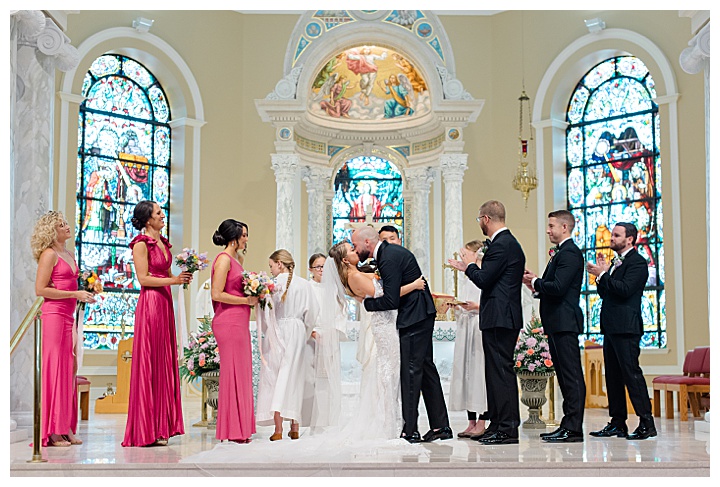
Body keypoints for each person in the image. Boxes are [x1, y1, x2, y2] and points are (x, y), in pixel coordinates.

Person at [352, 226, 451, 443]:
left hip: (414, 316)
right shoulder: (387, 254)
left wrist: (366, 303)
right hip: (419, 314)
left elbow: (390, 300)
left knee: (412, 371)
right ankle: (440, 426)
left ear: (367, 243)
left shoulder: (388, 256)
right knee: (425, 367)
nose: (354, 248)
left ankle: (410, 429)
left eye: (355, 245)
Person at [324, 241, 426, 439]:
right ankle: (388, 423)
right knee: (388, 372)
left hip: (389, 321)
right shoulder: (353, 277)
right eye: (352, 251)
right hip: (384, 324)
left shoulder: (358, 273)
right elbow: (388, 295)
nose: (356, 251)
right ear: (345, 260)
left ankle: (396, 420)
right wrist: (413, 285)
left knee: (390, 371)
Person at [447, 200, 526, 445]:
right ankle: (498, 424)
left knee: (501, 373)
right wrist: (467, 267)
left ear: (486, 219)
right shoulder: (505, 244)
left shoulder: (502, 245)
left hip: (501, 317)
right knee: (494, 373)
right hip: (498, 317)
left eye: (479, 219)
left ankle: (508, 427)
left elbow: (484, 279)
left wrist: (470, 264)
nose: (480, 224)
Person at [122, 201, 193, 447]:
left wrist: (180, 277)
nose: (163, 216)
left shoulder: (163, 242)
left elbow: (165, 275)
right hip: (151, 302)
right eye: (158, 213)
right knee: (151, 361)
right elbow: (143, 278)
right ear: (147, 219)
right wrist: (173, 280)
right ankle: (145, 428)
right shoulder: (141, 244)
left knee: (163, 361)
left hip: (164, 302)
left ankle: (162, 426)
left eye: (162, 213)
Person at [587, 222, 657, 440]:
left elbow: (625, 291)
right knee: (614, 377)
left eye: (617, 235)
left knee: (631, 375)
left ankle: (647, 422)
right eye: (612, 235)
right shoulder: (616, 263)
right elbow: (606, 294)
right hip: (611, 326)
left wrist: (603, 274)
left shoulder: (638, 263)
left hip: (627, 327)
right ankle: (618, 422)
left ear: (630, 239)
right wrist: (602, 275)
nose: (612, 239)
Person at [32, 210, 96, 447]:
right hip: (53, 316)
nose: (67, 227)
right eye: (62, 225)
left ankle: (67, 426)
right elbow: (41, 290)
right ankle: (53, 430)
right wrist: (74, 293)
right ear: (52, 231)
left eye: (66, 223)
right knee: (56, 369)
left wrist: (84, 294)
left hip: (69, 316)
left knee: (70, 368)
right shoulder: (49, 254)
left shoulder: (68, 253)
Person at [523, 210, 586, 443]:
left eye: (551, 226)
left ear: (564, 228)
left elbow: (559, 288)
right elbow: (554, 286)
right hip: (557, 322)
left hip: (565, 321)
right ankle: (567, 424)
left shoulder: (570, 253)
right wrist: (536, 283)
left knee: (571, 376)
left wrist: (536, 281)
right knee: (564, 375)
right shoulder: (562, 253)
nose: (548, 230)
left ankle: (574, 427)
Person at [257, 249, 320, 441]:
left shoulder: (270, 285)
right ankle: (295, 426)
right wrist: (305, 331)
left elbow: (265, 314)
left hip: (276, 331)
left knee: (276, 378)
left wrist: (269, 330)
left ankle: (278, 429)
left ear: (280, 264)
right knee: (294, 377)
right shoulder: (303, 284)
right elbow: (312, 313)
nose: (271, 270)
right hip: (297, 330)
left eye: (271, 266)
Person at [210, 219, 259, 444]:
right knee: (232, 373)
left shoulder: (237, 259)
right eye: (245, 235)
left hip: (239, 321)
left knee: (242, 372)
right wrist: (245, 299)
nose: (247, 239)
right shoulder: (223, 260)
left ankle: (241, 428)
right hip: (228, 321)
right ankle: (232, 429)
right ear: (235, 237)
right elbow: (216, 294)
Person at [449, 240, 489, 440]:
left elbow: (490, 303)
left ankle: (483, 420)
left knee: (478, 373)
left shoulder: (485, 274)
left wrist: (476, 307)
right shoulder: (469, 275)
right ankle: (471, 421)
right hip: (466, 326)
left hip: (479, 325)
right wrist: (457, 306)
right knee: (466, 374)